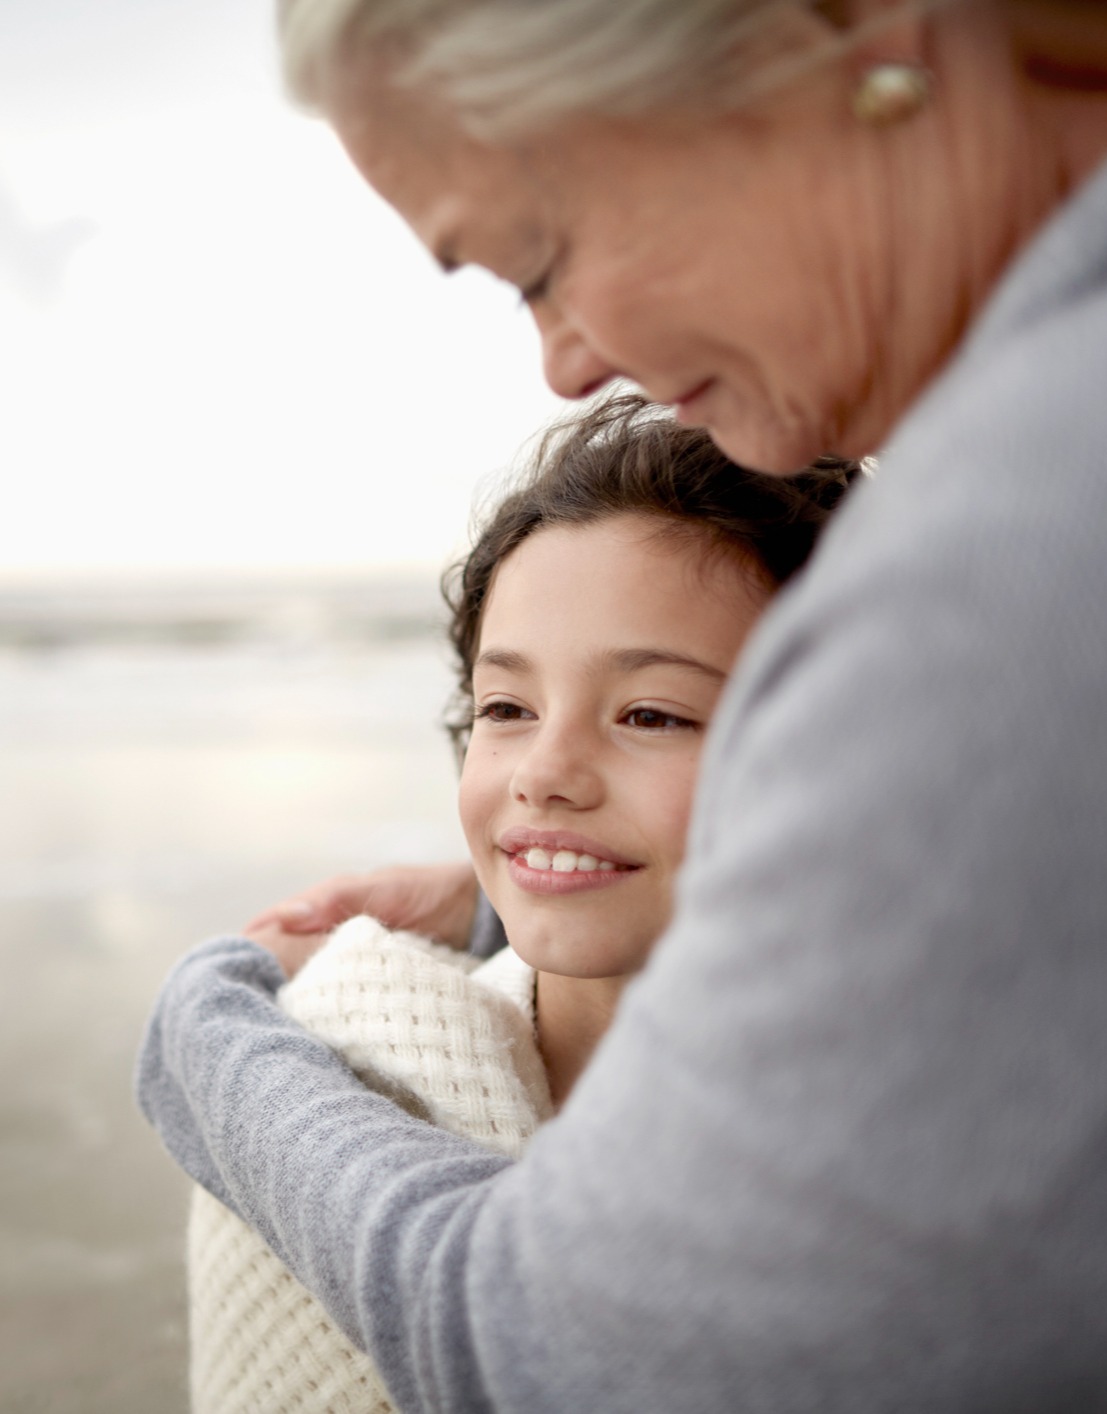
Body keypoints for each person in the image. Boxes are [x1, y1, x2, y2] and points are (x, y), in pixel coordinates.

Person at [138, 2, 1107, 1410]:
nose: (564, 357)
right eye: (501, 706)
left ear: (843, 28)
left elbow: (567, 1351)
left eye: (541, 257)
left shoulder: (1070, 529)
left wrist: (208, 1035)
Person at [184, 394, 854, 1413]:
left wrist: (199, 1013)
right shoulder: (355, 1054)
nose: (543, 774)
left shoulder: (932, 1146)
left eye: (651, 713)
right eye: (505, 707)